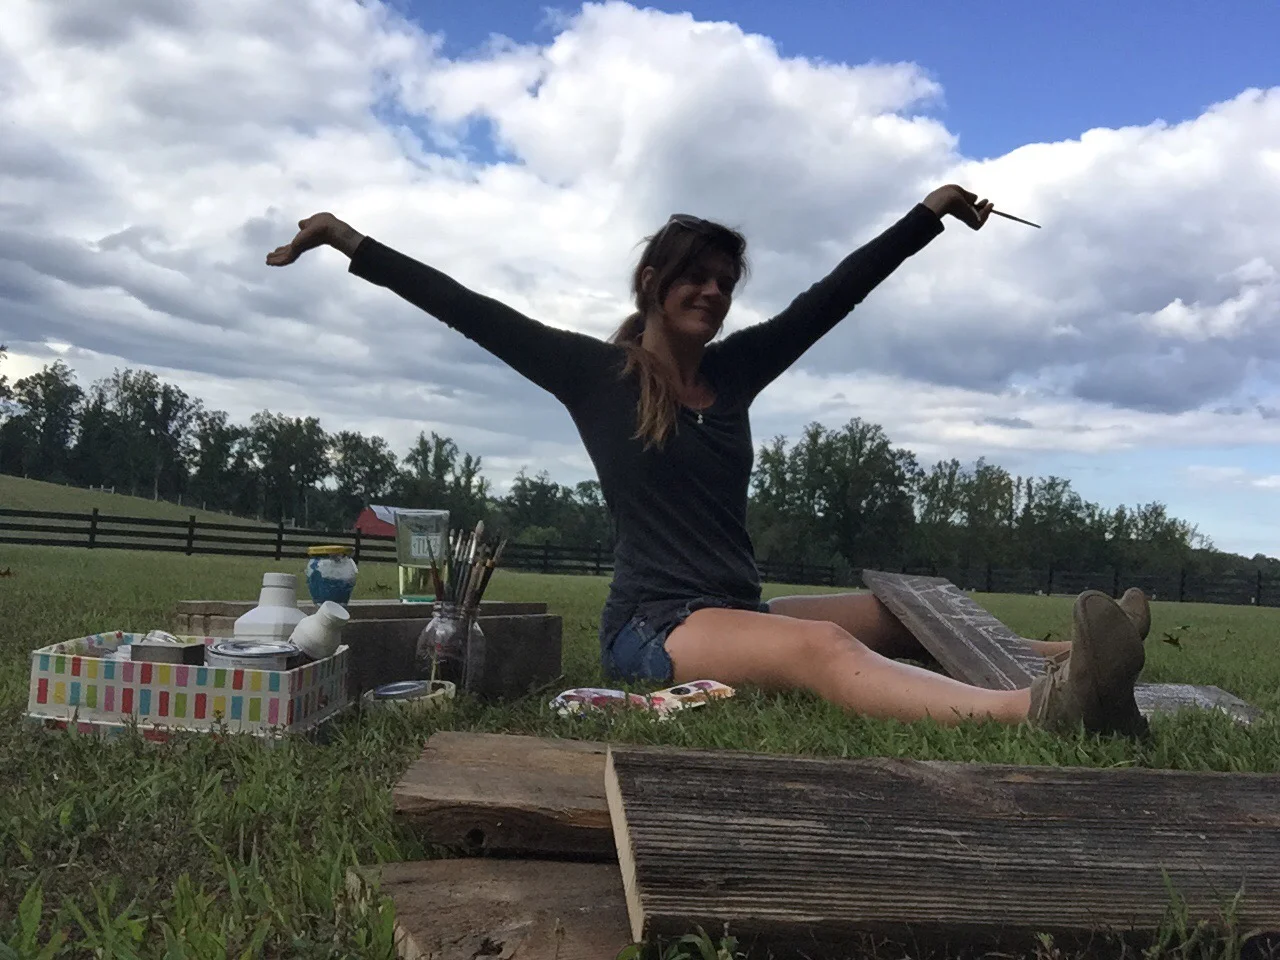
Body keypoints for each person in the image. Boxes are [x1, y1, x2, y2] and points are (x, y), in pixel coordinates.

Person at [267, 184, 1150, 739]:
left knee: (905, 611)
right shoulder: (597, 376)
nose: (714, 291)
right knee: (823, 645)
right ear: (653, 279)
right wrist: (349, 240)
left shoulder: (733, 374)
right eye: (696, 274)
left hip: (732, 606)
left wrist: (929, 213)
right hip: (653, 627)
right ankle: (1040, 708)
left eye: (726, 281)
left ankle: (1067, 652)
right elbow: (466, 306)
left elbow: (834, 295)